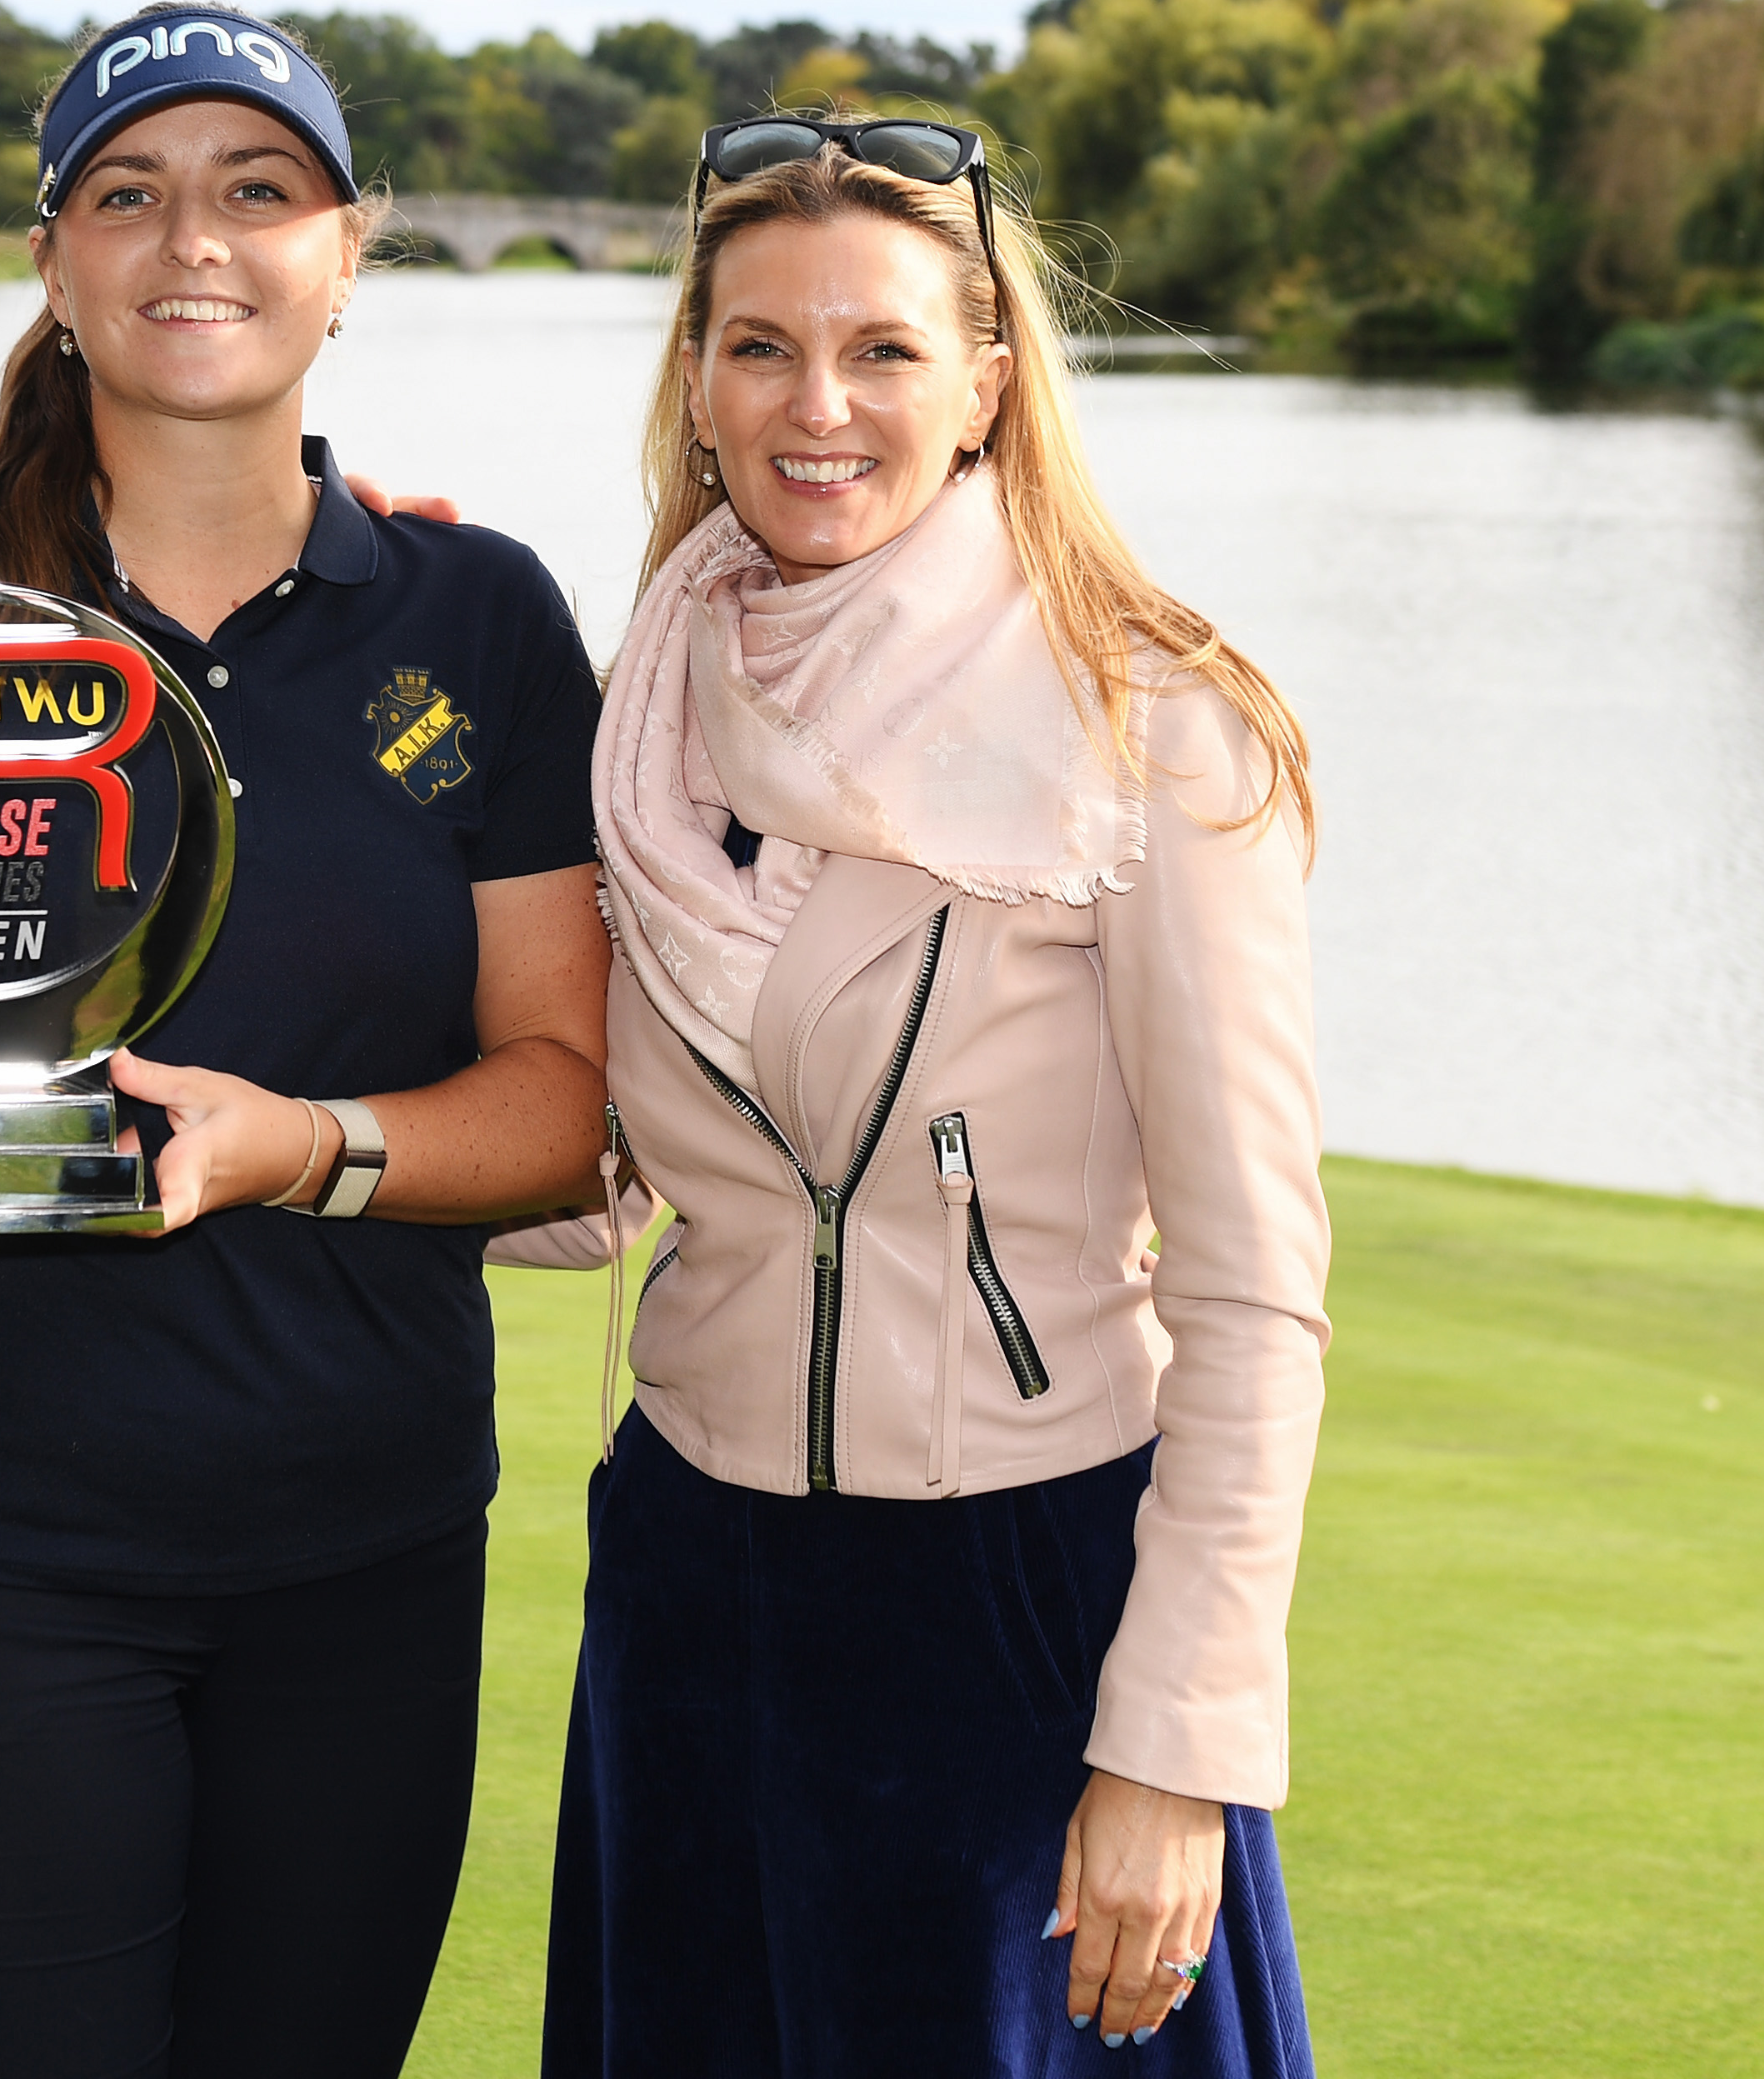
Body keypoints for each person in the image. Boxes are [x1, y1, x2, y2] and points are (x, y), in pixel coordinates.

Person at [0, 4, 612, 2079]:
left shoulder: (481, 616)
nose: (198, 240)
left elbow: (564, 1102)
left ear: (349, 253)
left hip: (360, 1563)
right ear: (54, 257)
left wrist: (307, 1145)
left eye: (260, 191)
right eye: (131, 192)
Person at [507, 117, 1329, 2072]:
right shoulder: (647, 705)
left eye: (881, 349)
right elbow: (599, 1169)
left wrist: (1171, 1754)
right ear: (694, 384)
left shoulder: (1152, 722)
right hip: (694, 1591)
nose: (819, 405)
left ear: (986, 386)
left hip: (1016, 1606)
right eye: (760, 346)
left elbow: (1253, 1297)